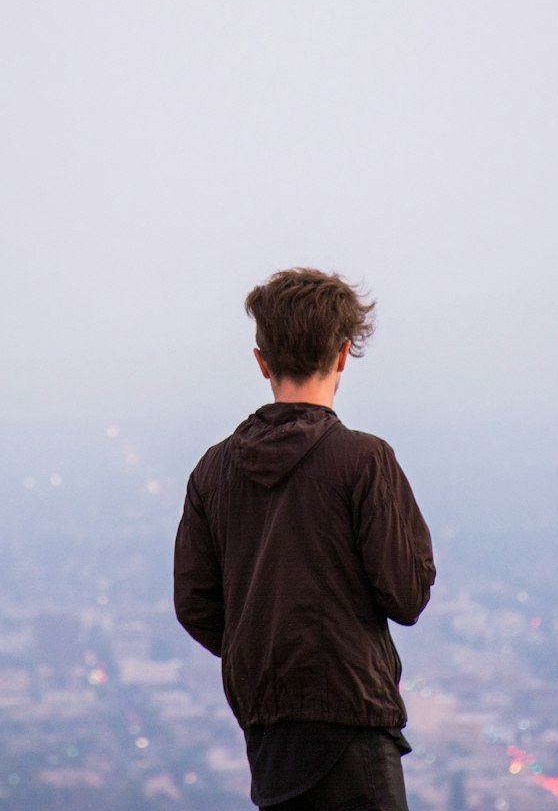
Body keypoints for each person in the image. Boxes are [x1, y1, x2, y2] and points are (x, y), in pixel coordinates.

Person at [174, 268, 436, 811]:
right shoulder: (364, 461)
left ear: (262, 361)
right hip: (355, 719)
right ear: (343, 355)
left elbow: (194, 603)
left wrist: (266, 643)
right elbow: (406, 595)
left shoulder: (212, 471)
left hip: (268, 731)